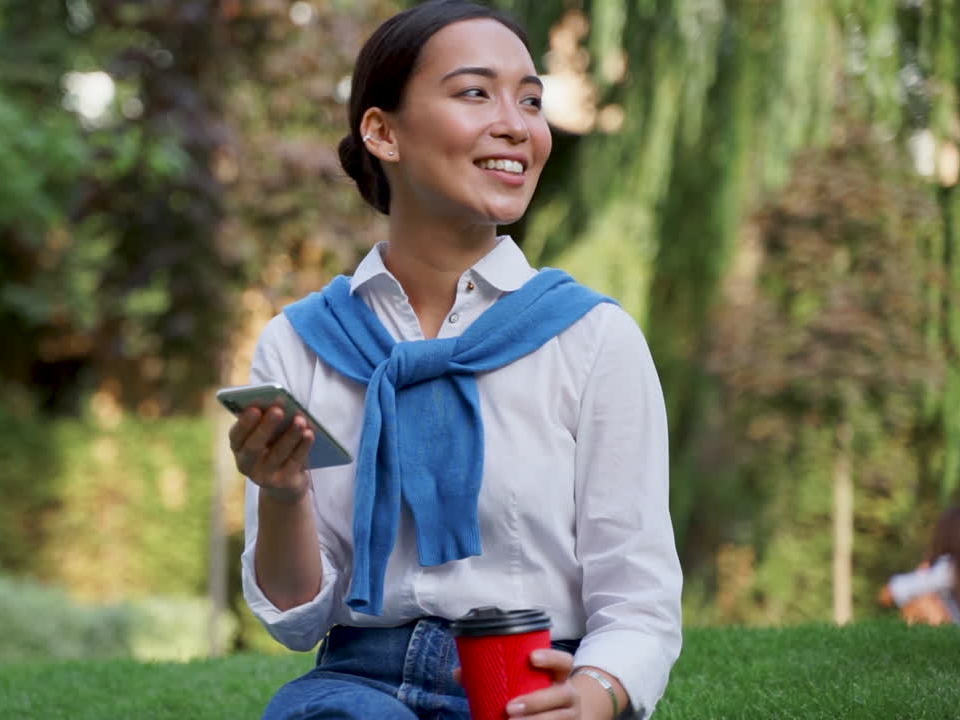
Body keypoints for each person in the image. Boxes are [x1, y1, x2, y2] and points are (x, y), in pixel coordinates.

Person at [227, 2, 682, 718]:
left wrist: (593, 696)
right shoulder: (302, 341)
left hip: (530, 680)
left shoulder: (591, 338)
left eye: (530, 100)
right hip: (358, 687)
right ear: (383, 132)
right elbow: (295, 619)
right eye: (475, 92)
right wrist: (284, 494)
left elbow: (639, 598)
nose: (517, 125)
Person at [879, 504, 960, 626]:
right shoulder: (959, 568)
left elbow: (888, 593)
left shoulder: (950, 568)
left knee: (922, 600)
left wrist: (923, 574)